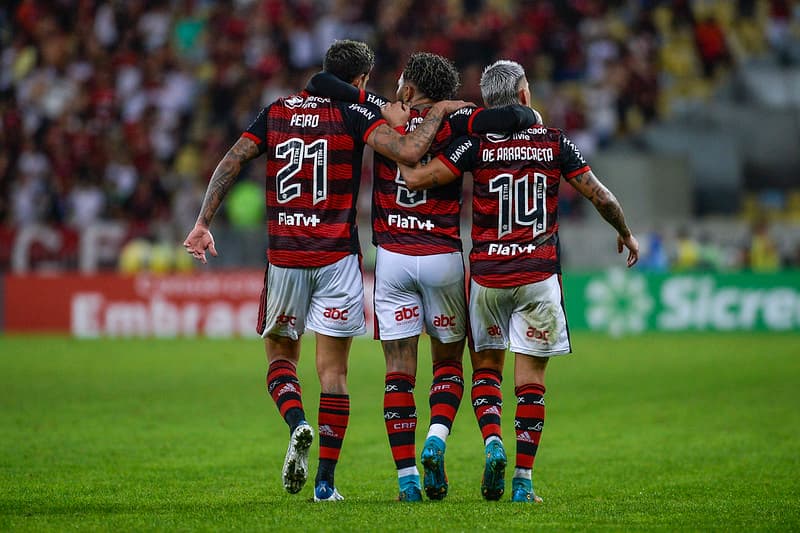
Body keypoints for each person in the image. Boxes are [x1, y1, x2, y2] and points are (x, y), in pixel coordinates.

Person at [182, 39, 467, 502]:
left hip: (285, 257)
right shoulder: (357, 113)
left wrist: (202, 223)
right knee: (334, 376)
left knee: (280, 361)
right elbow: (408, 150)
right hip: (337, 258)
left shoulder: (275, 111)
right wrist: (437, 111)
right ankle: (325, 483)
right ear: (360, 80)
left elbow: (232, 159)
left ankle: (297, 423)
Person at [398, 60, 639, 503]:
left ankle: (492, 442)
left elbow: (418, 176)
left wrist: (406, 145)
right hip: (538, 276)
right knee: (531, 382)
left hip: (488, 276)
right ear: (525, 96)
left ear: (488, 100)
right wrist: (624, 232)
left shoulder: (474, 145)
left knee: (485, 372)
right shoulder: (553, 142)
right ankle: (523, 484)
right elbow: (599, 195)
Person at [306, 52, 539, 501]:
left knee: (398, 373)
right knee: (449, 367)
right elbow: (515, 119)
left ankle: (407, 481)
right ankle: (437, 438)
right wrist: (456, 108)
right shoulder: (461, 121)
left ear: (408, 89)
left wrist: (375, 98)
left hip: (392, 258)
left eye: (399, 84)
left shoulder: (379, 114)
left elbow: (322, 82)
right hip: (443, 256)